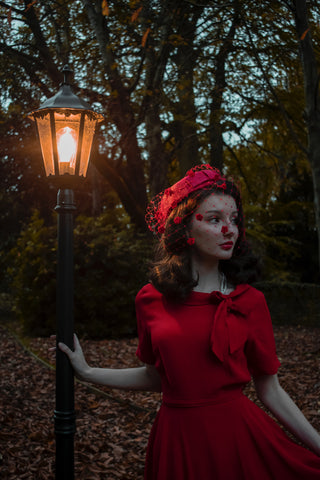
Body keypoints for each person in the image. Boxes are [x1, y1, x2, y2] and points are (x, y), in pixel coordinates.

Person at [56, 164, 320, 479]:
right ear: (185, 228)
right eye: (214, 219)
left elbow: (271, 390)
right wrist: (87, 372)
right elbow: (157, 378)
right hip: (177, 439)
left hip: (239, 438)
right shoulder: (150, 299)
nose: (229, 230)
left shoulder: (250, 302)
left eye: (234, 219)